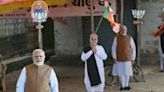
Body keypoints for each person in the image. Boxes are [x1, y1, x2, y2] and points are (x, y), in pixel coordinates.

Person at [111, 24, 136, 91]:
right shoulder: (116, 38)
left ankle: (126, 85)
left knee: (127, 73)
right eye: (122, 29)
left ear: (126, 30)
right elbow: (113, 48)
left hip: (128, 59)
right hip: (119, 59)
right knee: (121, 72)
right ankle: (122, 85)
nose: (123, 31)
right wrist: (114, 57)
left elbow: (133, 48)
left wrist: (133, 58)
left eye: (124, 29)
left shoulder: (130, 38)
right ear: (120, 30)